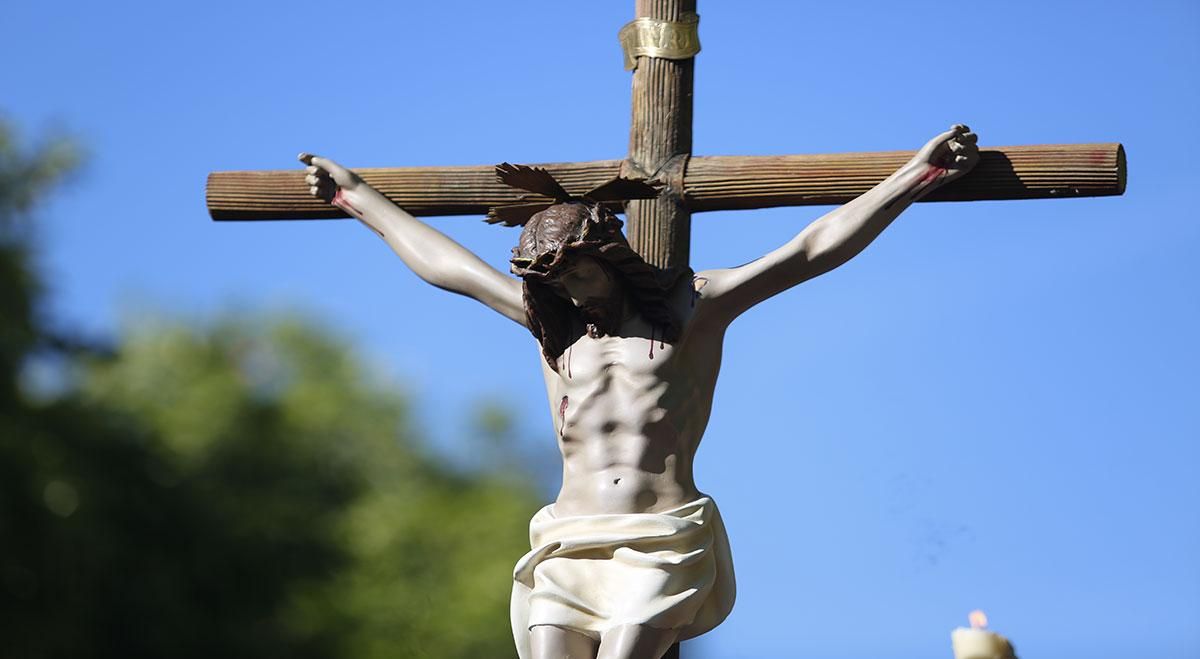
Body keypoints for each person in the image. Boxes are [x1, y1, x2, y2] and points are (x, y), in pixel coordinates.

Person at [299, 124, 979, 659]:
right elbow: (450, 267)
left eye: (577, 276)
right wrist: (355, 195)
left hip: (657, 538)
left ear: (610, 259)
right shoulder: (552, 327)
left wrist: (915, 175)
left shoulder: (692, 306)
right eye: (554, 283)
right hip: (568, 537)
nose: (568, 291)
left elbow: (808, 251)